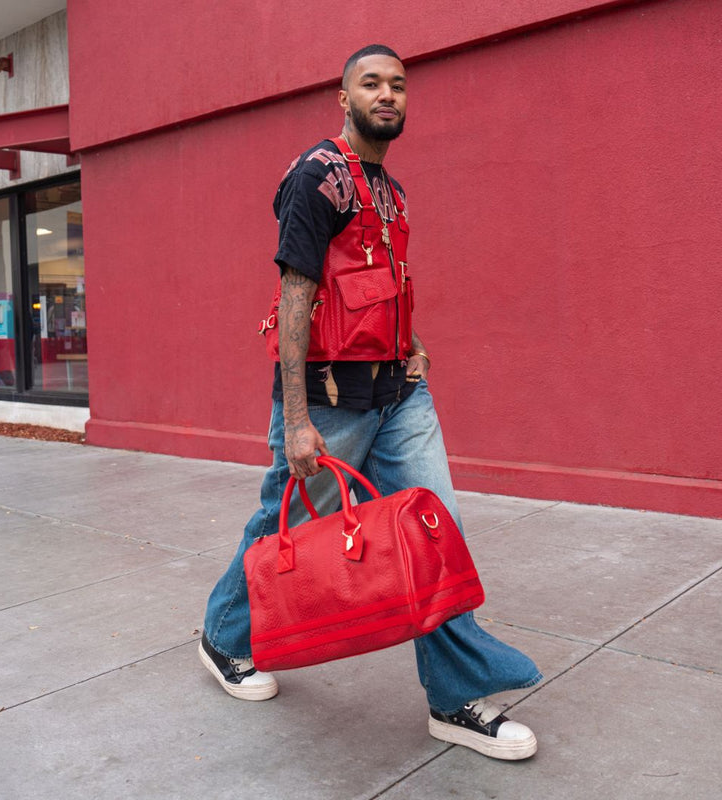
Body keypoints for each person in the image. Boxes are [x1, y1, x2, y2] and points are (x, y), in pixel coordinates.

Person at [200, 44, 542, 761]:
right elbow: (297, 293)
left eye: (397, 85)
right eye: (371, 84)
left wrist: (412, 343)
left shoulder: (393, 189)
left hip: (400, 396)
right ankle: (224, 638)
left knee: (435, 533)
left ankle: (454, 699)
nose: (387, 94)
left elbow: (381, 282)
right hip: (330, 401)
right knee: (284, 525)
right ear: (344, 98)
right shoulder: (315, 177)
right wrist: (297, 420)